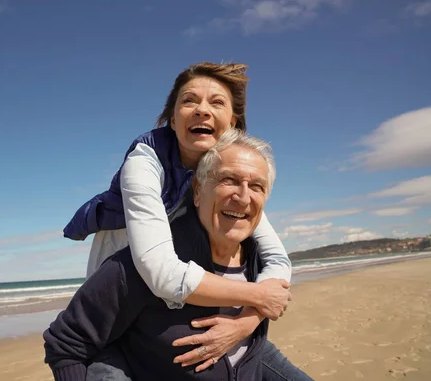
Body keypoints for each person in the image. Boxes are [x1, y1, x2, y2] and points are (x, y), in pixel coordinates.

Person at [62, 62, 293, 370]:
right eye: (189, 101)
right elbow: (161, 273)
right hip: (119, 308)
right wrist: (258, 295)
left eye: (217, 102)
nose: (202, 110)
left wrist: (245, 323)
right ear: (172, 120)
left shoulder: (225, 178)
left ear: (233, 124)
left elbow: (277, 259)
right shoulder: (144, 163)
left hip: (173, 309)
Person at [44, 130, 306, 380]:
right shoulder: (140, 266)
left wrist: (245, 323)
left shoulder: (260, 262)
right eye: (229, 180)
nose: (243, 196)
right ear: (198, 191)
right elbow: (66, 342)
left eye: (257, 186)